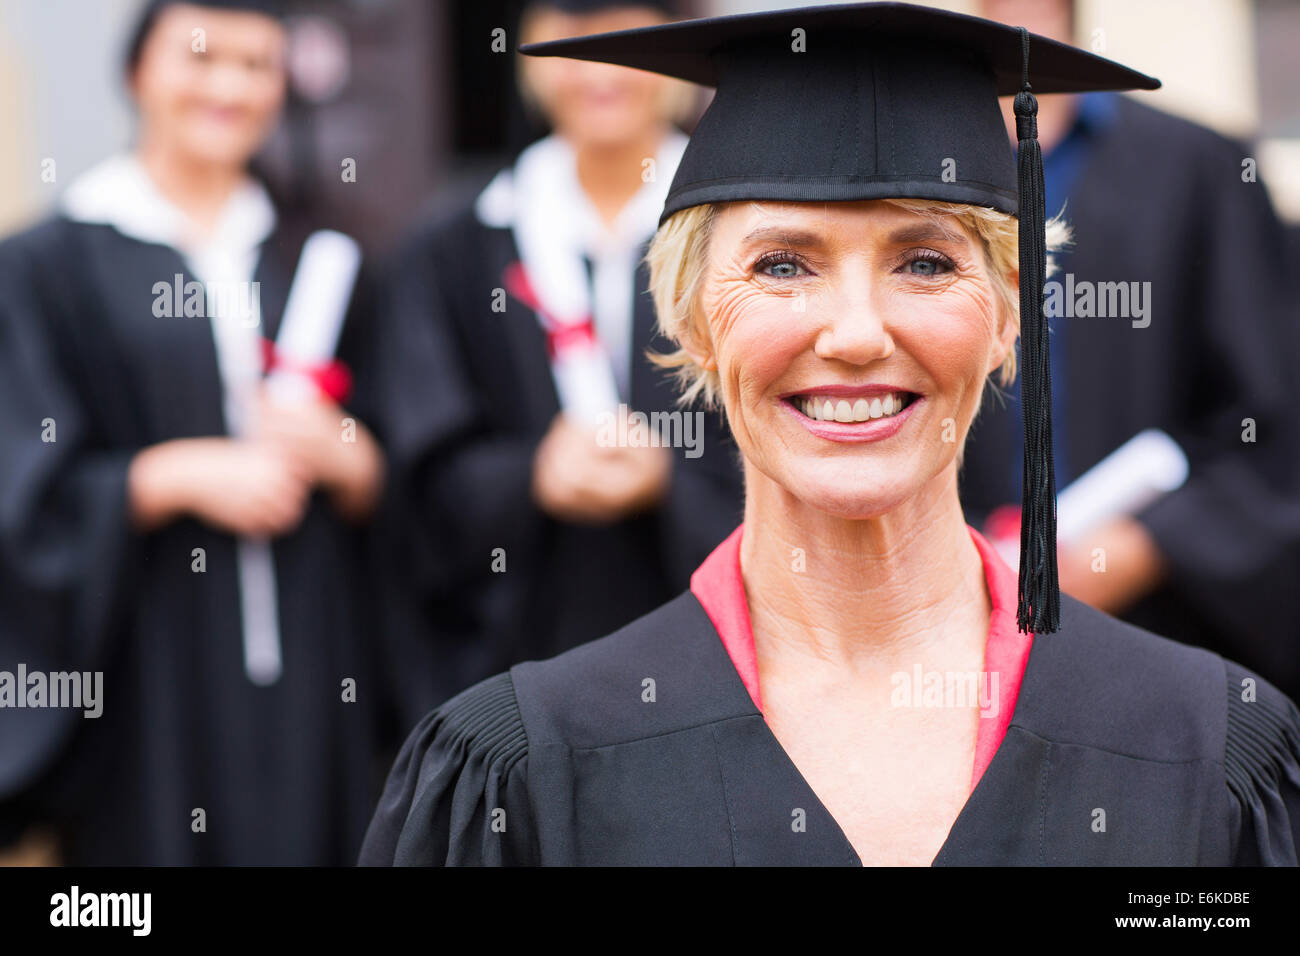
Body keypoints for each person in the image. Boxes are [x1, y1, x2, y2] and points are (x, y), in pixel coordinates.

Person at [360, 2, 1300, 866]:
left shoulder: (1208, 753)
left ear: (1013, 314)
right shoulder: (521, 774)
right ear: (690, 318)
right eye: (781, 265)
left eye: (926, 261)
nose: (855, 333)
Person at [0, 0, 388, 864]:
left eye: (257, 65)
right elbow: (18, 479)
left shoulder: (320, 253)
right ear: (138, 72)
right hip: (147, 657)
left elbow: (402, 464)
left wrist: (349, 455)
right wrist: (164, 477)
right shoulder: (48, 264)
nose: (230, 86)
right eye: (202, 58)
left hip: (315, 644)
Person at [377, 0, 743, 710]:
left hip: (717, 658)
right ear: (527, 49)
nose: (599, 60)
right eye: (572, 30)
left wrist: (673, 482)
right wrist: (530, 477)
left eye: (626, 26)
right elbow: (418, 465)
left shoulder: (742, 234)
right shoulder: (455, 246)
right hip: (516, 658)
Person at [959, 0, 1300, 701]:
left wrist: (1148, 547)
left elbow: (1272, 412)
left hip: (1168, 624)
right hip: (959, 635)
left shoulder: (1197, 166)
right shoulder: (917, 171)